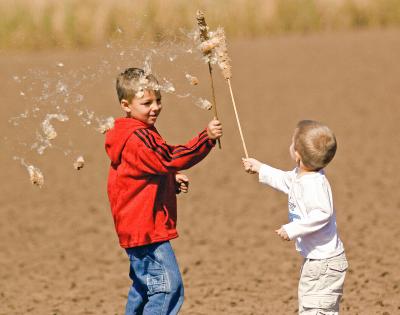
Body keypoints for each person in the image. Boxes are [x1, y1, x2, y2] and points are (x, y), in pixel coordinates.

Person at [105, 67, 222, 315]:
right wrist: (206, 138)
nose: (155, 107)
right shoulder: (137, 137)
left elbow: (145, 169)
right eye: (146, 103)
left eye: (158, 100)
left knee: (145, 288)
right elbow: (168, 158)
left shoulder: (131, 132)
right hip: (145, 229)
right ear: (126, 105)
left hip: (137, 226)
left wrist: (169, 179)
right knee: (168, 288)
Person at [242, 120, 348, 315]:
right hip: (317, 261)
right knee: (313, 308)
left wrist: (293, 229)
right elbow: (285, 180)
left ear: (297, 155)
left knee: (315, 310)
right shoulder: (302, 176)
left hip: (323, 264)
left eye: (293, 143)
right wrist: (260, 168)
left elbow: (322, 214)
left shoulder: (314, 184)